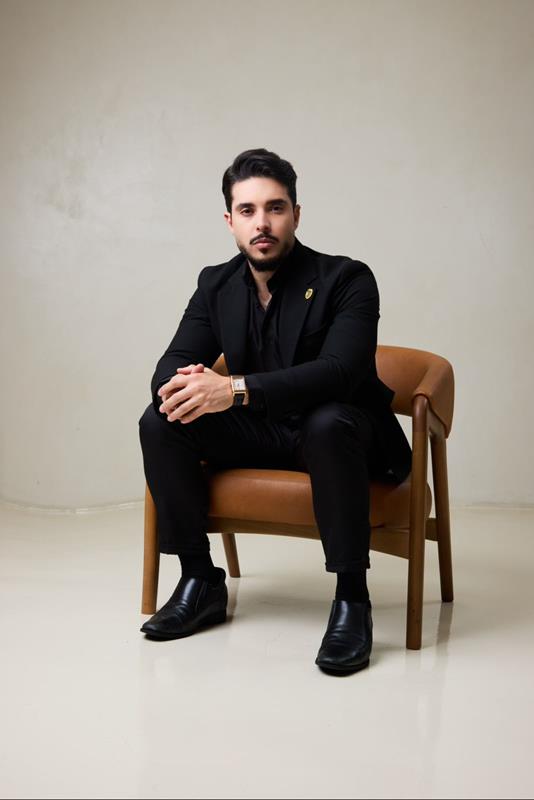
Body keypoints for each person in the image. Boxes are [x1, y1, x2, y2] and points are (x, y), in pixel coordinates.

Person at [138, 148, 412, 674]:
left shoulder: (347, 278)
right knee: (161, 418)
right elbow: (168, 367)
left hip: (346, 435)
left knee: (327, 420)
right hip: (267, 434)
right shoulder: (215, 284)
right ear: (230, 221)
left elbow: (339, 372)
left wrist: (233, 389)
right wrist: (185, 385)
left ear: (296, 215)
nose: (261, 223)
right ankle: (200, 579)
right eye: (247, 210)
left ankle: (352, 599)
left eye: (275, 208)